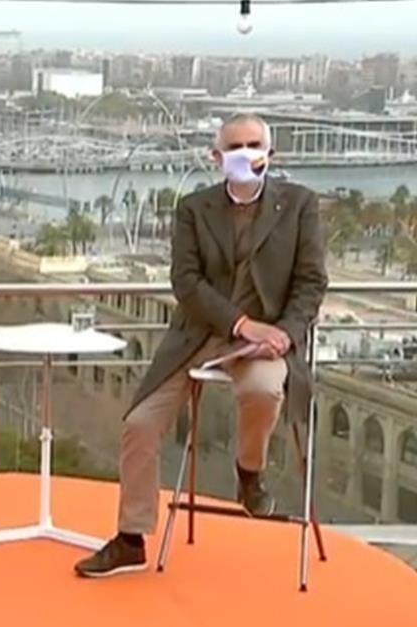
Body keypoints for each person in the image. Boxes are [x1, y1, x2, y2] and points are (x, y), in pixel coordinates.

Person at [74, 113, 328, 578]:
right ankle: (131, 537)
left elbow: (311, 283)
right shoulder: (194, 208)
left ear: (271, 153)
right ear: (216, 157)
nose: (247, 153)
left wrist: (283, 333)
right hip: (199, 336)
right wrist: (241, 324)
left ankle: (248, 474)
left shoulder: (299, 206)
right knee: (139, 425)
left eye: (255, 144)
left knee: (263, 392)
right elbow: (186, 283)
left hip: (266, 346)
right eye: (236, 146)